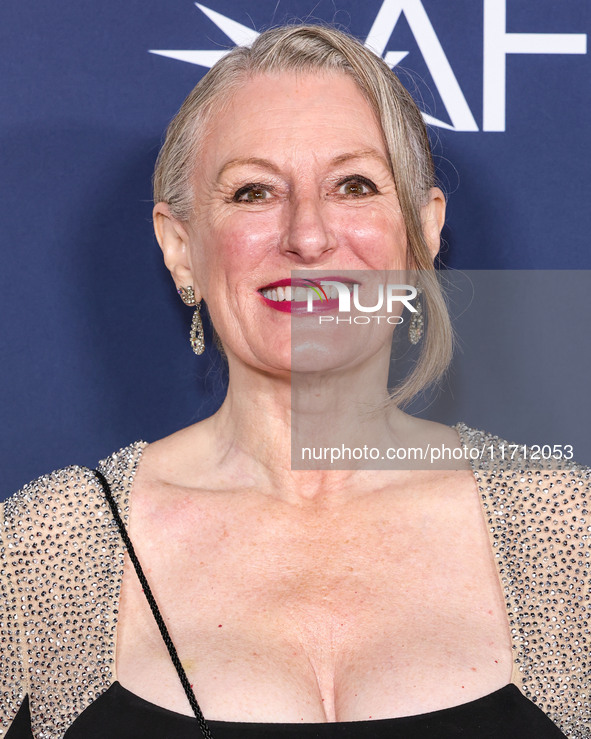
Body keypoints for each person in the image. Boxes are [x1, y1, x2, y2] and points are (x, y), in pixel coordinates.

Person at [0, 23, 588, 739]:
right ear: (180, 247)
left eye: (354, 185)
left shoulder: (567, 530)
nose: (307, 236)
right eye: (252, 191)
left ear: (423, 233)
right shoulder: (47, 549)